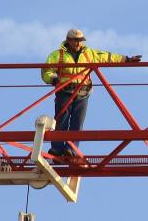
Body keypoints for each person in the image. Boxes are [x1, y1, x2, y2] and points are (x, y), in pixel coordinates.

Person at [41, 28, 141, 158]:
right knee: (62, 121)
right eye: (76, 41)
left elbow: (107, 57)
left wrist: (126, 59)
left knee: (78, 122)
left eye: (80, 41)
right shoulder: (57, 55)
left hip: (83, 92)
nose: (78, 43)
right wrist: (53, 79)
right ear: (69, 40)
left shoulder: (89, 53)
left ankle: (70, 149)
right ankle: (57, 149)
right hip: (65, 92)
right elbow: (46, 71)